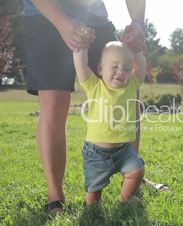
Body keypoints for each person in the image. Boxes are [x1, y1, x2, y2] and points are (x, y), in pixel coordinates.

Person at [22, 0, 145, 214]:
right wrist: (61, 22)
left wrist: (138, 23)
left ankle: (130, 175)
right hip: (46, 16)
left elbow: (136, 70)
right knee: (55, 103)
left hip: (95, 19)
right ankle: (55, 198)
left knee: (125, 92)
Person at [74, 38, 146, 205]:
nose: (121, 72)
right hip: (97, 152)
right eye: (114, 67)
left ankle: (125, 200)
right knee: (94, 190)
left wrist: (138, 51)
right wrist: (81, 47)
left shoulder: (131, 86)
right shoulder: (94, 86)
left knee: (137, 171)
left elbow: (141, 67)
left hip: (124, 149)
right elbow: (81, 66)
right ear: (100, 68)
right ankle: (92, 209)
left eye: (127, 68)